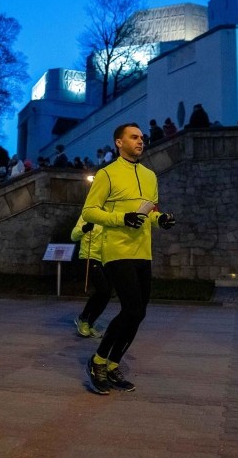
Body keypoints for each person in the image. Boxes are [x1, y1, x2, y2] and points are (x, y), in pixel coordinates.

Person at [82, 123, 176, 395]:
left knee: (139, 312)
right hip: (117, 251)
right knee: (132, 309)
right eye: (134, 137)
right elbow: (89, 212)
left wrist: (161, 220)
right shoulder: (107, 174)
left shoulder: (149, 176)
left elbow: (151, 212)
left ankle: (112, 365)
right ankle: (97, 361)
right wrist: (120, 218)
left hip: (142, 252)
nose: (140, 141)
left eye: (142, 138)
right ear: (118, 143)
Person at [70, 213, 111, 339]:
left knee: (107, 293)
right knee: (103, 290)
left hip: (107, 259)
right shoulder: (87, 215)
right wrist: (85, 228)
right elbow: (74, 236)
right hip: (89, 257)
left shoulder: (111, 215)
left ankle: (90, 322)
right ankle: (83, 318)